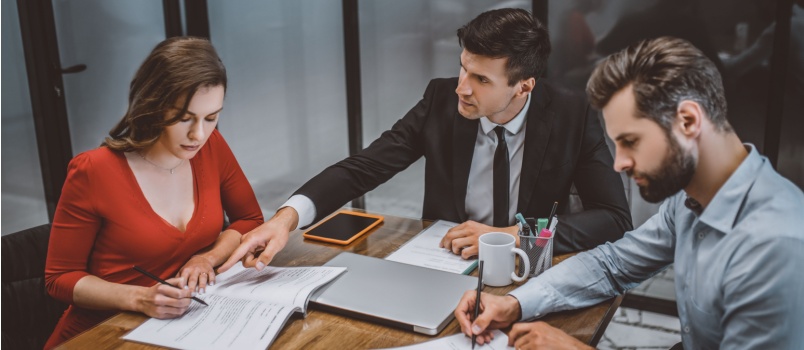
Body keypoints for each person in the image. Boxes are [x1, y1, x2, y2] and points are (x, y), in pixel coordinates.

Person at [454, 36, 804, 349]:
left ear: (688, 121)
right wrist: (514, 303)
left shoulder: (774, 247)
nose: (619, 164)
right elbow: (613, 265)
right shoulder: (688, 200)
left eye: (630, 142)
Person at [220, 8, 631, 272]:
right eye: (463, 69)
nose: (462, 89)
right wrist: (285, 219)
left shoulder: (572, 113)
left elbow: (613, 217)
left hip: (527, 266)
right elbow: (363, 168)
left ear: (524, 86)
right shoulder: (441, 100)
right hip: (443, 263)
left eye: (481, 80)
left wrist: (515, 236)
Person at [44, 37, 264, 348]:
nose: (198, 134)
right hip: (101, 335)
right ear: (154, 105)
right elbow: (59, 279)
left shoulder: (212, 147)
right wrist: (140, 298)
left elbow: (250, 219)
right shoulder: (94, 170)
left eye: (211, 118)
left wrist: (207, 258)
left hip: (180, 328)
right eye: (184, 118)